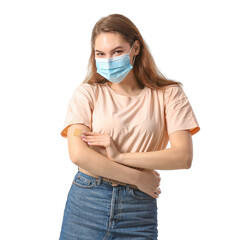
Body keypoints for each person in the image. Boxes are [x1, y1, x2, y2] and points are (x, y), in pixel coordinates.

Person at [59, 13, 200, 240]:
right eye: (100, 54)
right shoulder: (87, 93)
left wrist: (119, 155)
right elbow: (78, 155)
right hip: (88, 201)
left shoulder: (169, 94)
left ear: (135, 48)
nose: (108, 60)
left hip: (139, 208)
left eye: (117, 51)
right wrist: (136, 177)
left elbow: (183, 157)